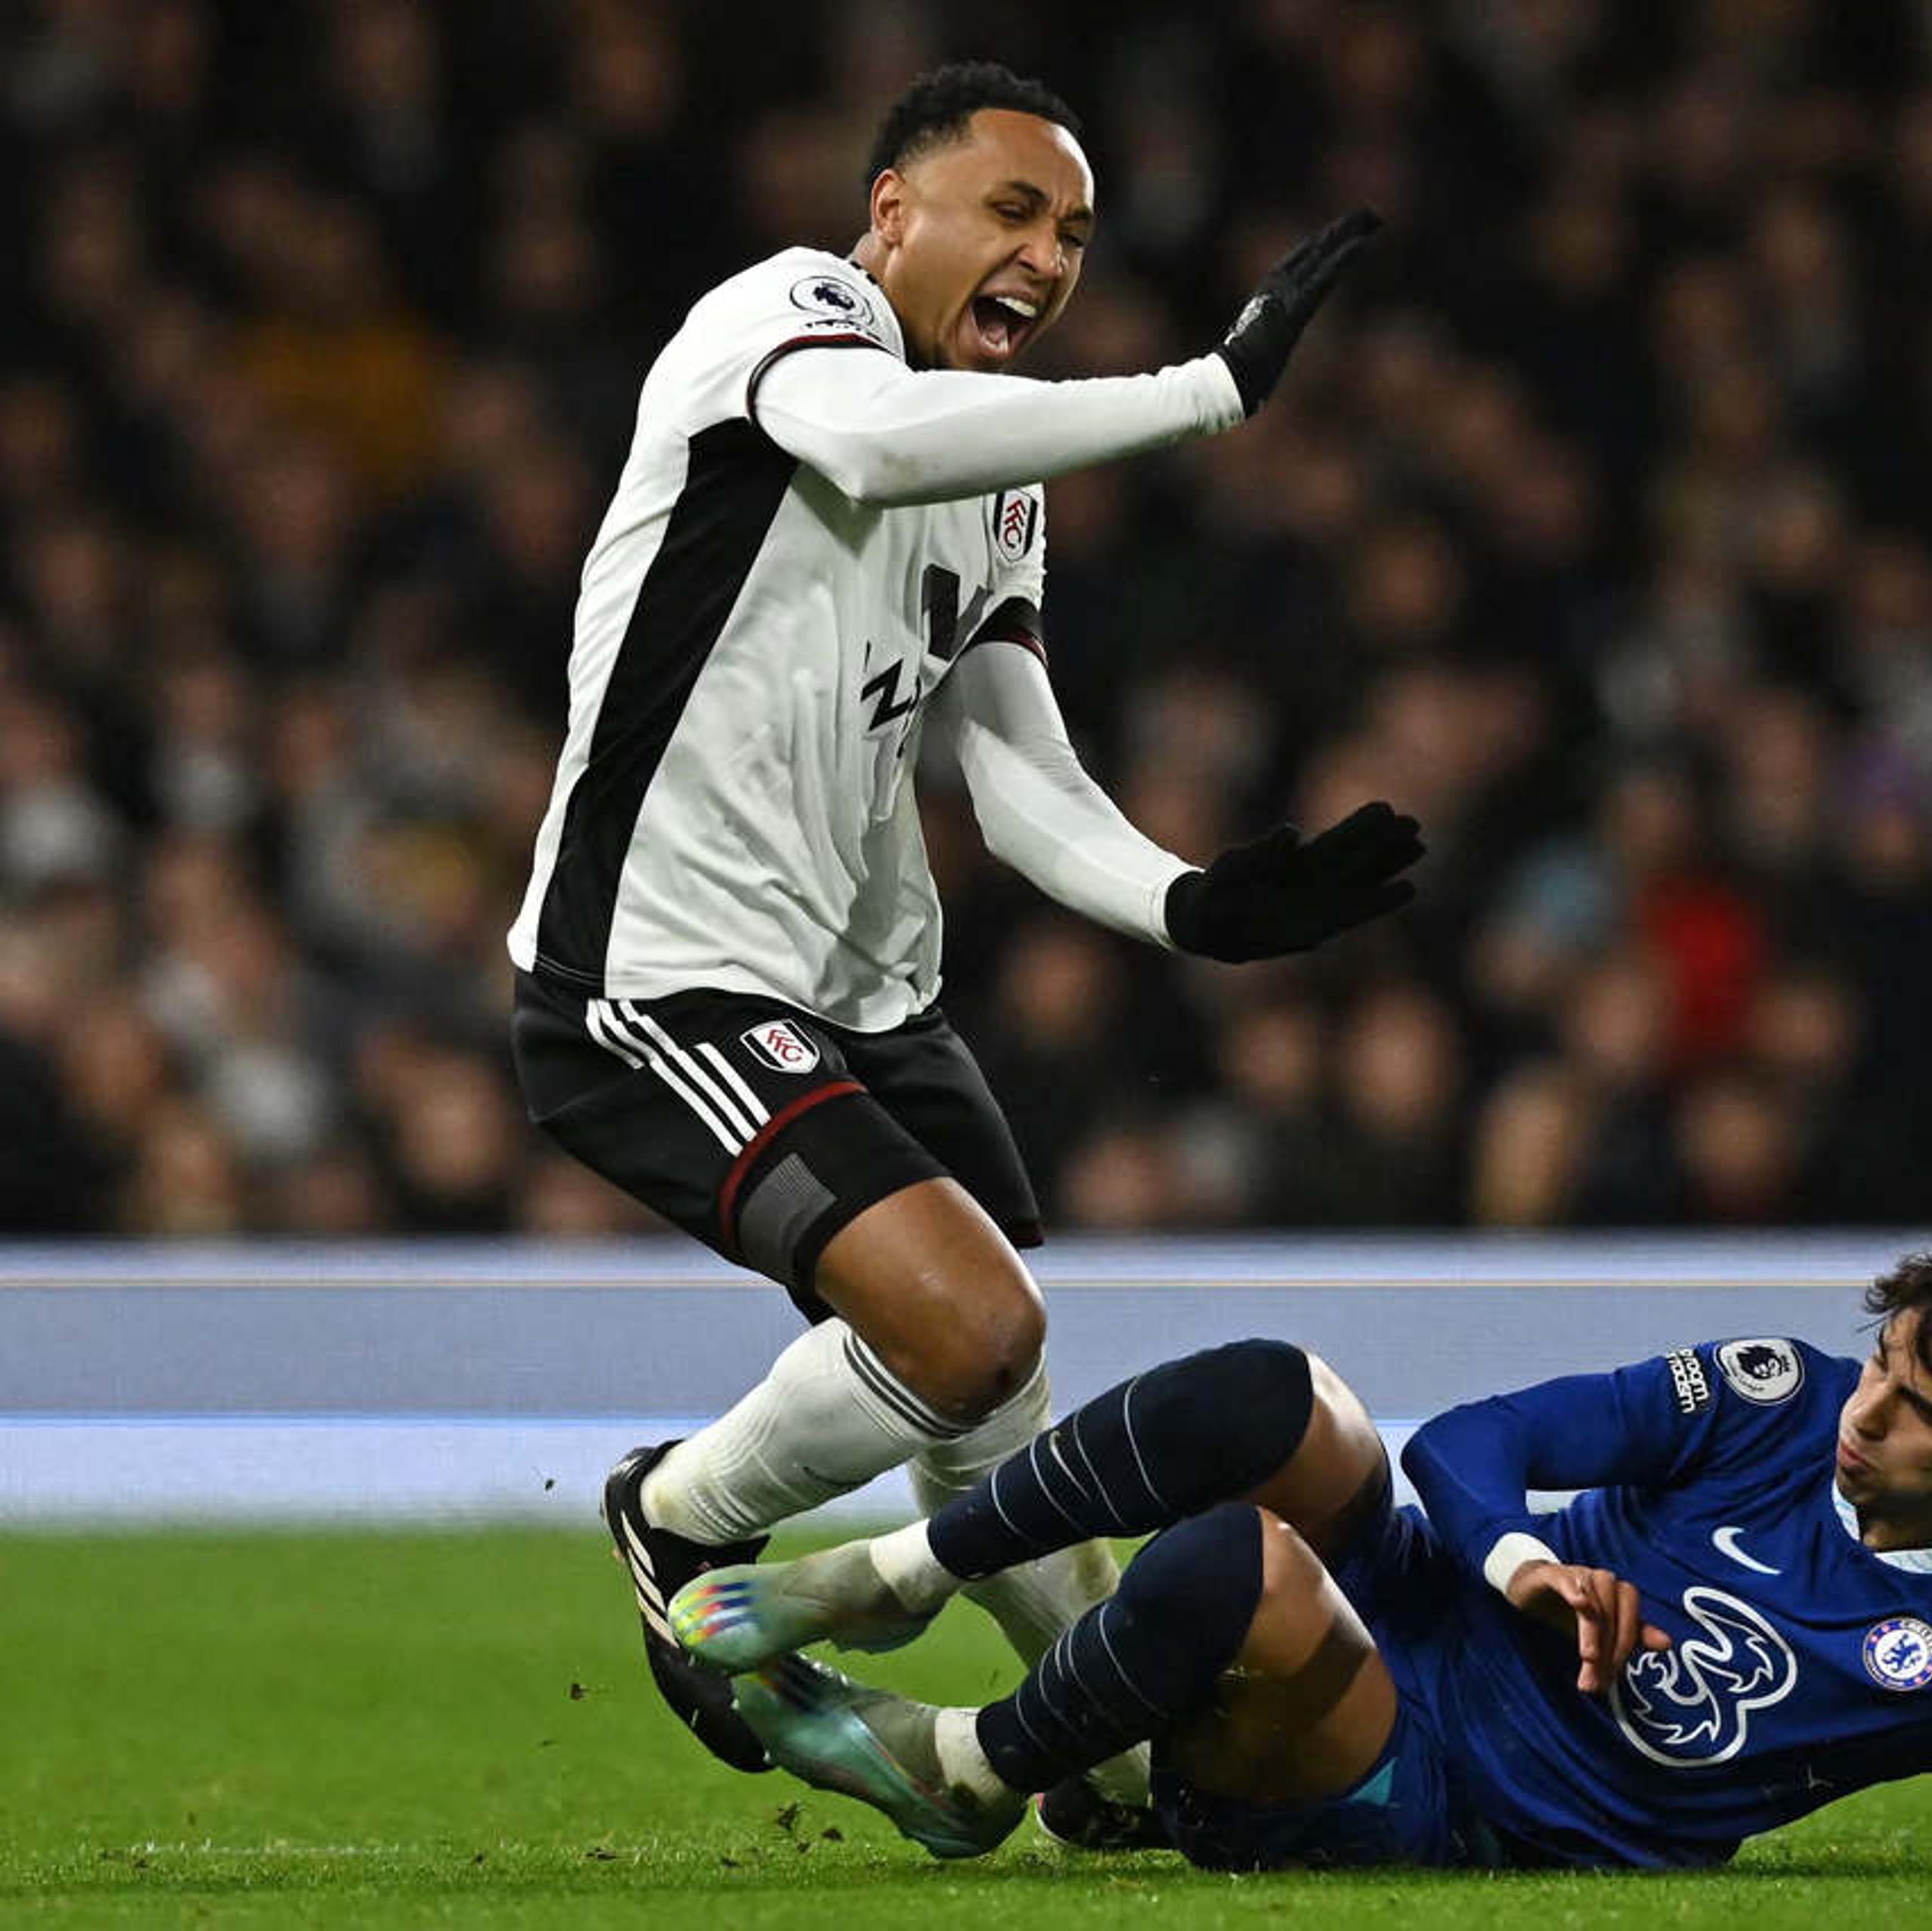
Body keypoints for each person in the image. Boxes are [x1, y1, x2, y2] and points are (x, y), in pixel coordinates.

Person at [502, 57, 1410, 1835]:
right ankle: (680, 1514)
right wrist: (1208, 390)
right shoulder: (784, 316)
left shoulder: (999, 486)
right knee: (976, 1327)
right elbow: (866, 435)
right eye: (1013, 210)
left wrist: (1186, 900)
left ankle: (1103, 1754)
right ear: (889, 210)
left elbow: (1008, 762)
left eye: (1074, 231)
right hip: (663, 965)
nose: (1051, 254)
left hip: (867, 991)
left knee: (991, 1389)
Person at [668, 1231, 1932, 1874]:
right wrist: (1528, 1566)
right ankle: (910, 1566)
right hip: (1426, 1592)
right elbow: (1471, 1448)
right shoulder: (1777, 1395)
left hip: (1432, 1782)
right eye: (1886, 1364)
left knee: (1235, 1561)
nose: (1866, 1411)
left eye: (1919, 1409)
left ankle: (976, 1767)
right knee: (1272, 1394)